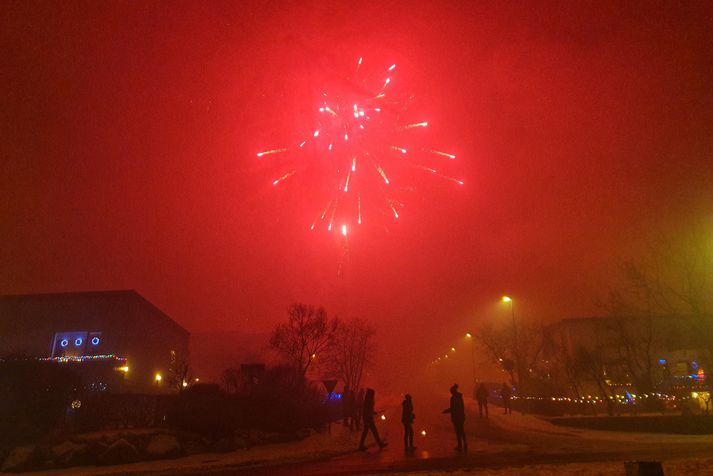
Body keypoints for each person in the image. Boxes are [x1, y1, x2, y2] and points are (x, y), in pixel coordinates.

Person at [442, 384, 467, 451]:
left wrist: (446, 411)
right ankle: (464, 443)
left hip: (456, 417)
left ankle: (460, 445)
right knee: (461, 430)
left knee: (458, 431)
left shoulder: (453, 398)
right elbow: (461, 408)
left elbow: (453, 408)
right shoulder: (460, 397)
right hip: (461, 416)